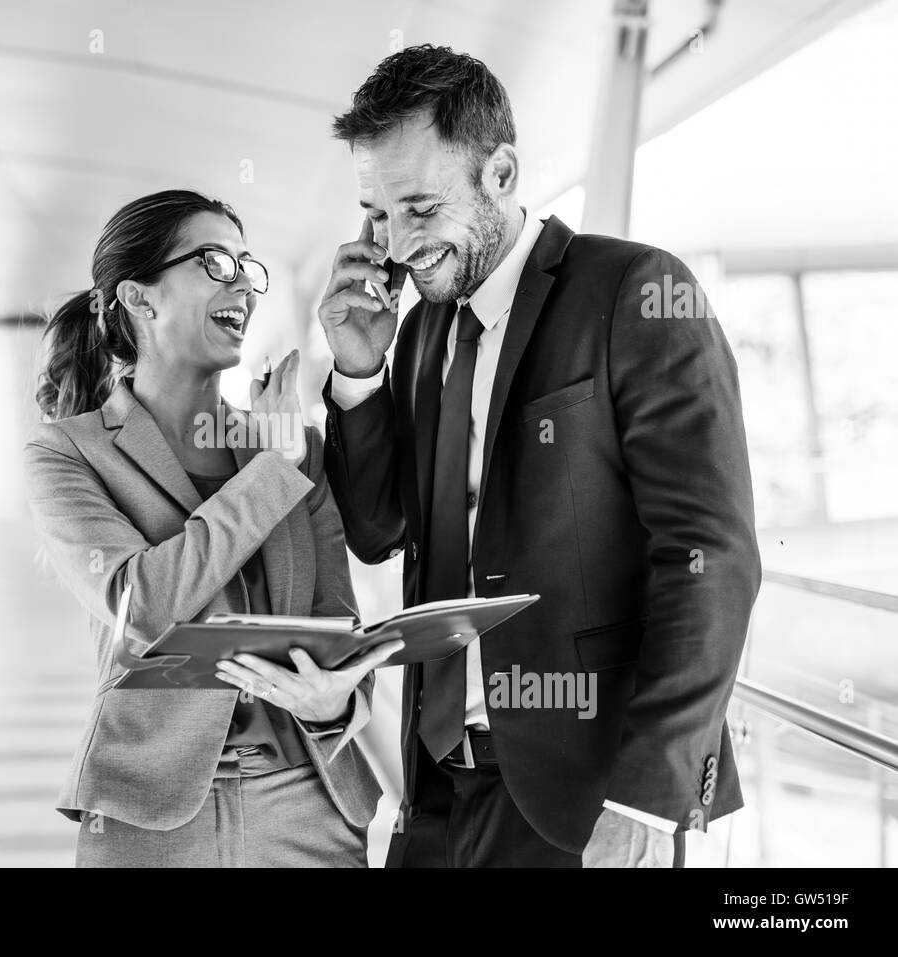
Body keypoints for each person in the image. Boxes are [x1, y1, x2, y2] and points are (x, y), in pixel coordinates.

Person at [317, 45, 761, 867]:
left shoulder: (633, 292)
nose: (397, 244)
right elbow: (378, 530)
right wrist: (356, 371)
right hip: (437, 787)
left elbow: (712, 556)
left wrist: (647, 796)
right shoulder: (417, 333)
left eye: (420, 207)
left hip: (584, 803)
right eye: (376, 214)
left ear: (502, 172)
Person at [25, 189, 400, 867]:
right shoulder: (67, 453)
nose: (244, 287)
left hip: (309, 809)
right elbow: (141, 604)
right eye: (214, 263)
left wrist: (332, 703)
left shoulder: (289, 446)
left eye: (247, 267)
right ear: (139, 299)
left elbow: (339, 627)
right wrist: (271, 469)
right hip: (152, 820)